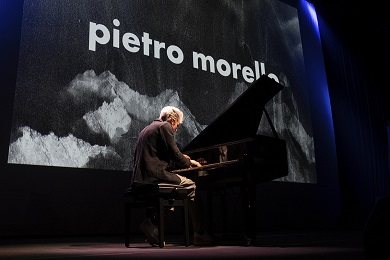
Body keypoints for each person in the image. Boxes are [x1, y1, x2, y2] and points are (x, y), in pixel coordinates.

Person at [131, 106, 211, 246]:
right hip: (154, 176)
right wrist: (190, 162)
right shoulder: (165, 126)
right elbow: (176, 154)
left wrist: (180, 159)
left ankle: (154, 226)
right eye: (177, 125)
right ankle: (200, 234)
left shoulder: (147, 129)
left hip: (140, 178)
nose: (176, 129)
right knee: (191, 186)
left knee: (171, 194)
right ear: (173, 120)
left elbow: (160, 156)